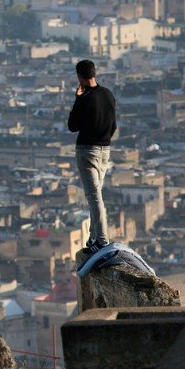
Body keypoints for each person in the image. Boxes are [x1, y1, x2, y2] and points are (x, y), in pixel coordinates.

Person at [68, 60, 117, 253]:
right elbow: (113, 126)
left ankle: (102, 241)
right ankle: (93, 237)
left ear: (80, 77)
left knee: (94, 197)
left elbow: (72, 126)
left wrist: (77, 99)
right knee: (95, 195)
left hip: (87, 152)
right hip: (105, 151)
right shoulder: (108, 95)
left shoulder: (85, 98)